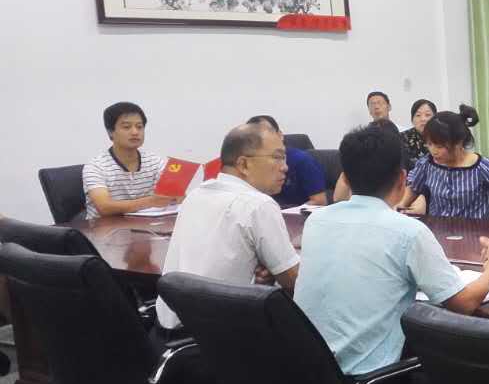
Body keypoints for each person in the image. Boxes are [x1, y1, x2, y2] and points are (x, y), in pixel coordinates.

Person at [295, 122, 489, 377]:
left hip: (308, 376)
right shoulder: (407, 232)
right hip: (372, 382)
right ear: (402, 179)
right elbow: (463, 304)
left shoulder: (316, 221)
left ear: (345, 178)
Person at [155, 122, 300, 333]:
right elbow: (293, 280)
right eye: (277, 157)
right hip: (222, 336)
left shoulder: (197, 194)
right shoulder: (257, 204)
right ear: (244, 164)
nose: (285, 167)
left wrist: (261, 277)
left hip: (170, 327)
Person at [399, 105, 489, 219]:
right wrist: (400, 207)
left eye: (440, 146)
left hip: (473, 231)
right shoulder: (428, 163)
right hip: (439, 230)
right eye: (430, 144)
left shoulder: (481, 167)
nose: (433, 151)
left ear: (458, 143)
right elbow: (414, 187)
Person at [83, 102, 176, 219]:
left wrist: (177, 195)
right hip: (104, 228)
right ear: (110, 132)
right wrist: (152, 201)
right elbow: (104, 207)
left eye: (139, 127)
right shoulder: (96, 166)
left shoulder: (155, 162)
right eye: (127, 127)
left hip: (145, 226)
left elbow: (175, 197)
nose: (135, 132)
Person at [246, 115, 326, 208]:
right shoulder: (250, 163)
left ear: (280, 135)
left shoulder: (302, 160)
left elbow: (320, 201)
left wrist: (284, 211)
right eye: (256, 137)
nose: (263, 139)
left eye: (268, 133)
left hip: (295, 214)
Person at [401, 99, 437, 165]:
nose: (423, 119)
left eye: (427, 115)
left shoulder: (442, 137)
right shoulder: (402, 138)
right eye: (418, 115)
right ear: (412, 120)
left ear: (435, 118)